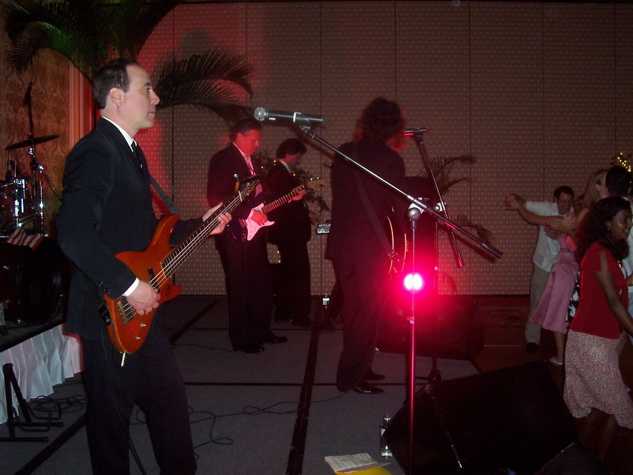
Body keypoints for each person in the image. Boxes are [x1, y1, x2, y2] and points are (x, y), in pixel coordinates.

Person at [56, 58, 231, 474]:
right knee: (111, 423)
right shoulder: (96, 151)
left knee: (168, 400)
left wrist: (200, 225)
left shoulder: (129, 152)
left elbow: (145, 234)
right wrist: (129, 287)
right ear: (116, 97)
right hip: (110, 309)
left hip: (138, 307)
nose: (157, 97)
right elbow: (73, 232)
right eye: (147, 89)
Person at [325, 97, 408, 395]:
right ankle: (351, 376)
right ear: (394, 126)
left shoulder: (345, 151)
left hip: (342, 244)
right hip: (370, 248)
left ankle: (362, 367)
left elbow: (342, 197)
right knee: (369, 311)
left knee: (354, 310)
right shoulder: (390, 159)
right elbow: (400, 208)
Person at [207, 117, 287, 353]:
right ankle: (242, 338)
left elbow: (262, 195)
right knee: (240, 286)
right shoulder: (223, 159)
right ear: (240, 136)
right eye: (254, 139)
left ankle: (262, 330)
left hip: (255, 233)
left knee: (261, 283)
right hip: (234, 231)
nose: (257, 144)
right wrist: (250, 213)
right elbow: (217, 197)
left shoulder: (254, 162)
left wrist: (286, 197)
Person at [564, 196, 633, 464]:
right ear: (607, 223)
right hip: (590, 341)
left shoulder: (604, 253)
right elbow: (613, 302)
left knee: (603, 406)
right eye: (624, 219)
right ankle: (595, 465)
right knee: (618, 408)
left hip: (600, 339)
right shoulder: (598, 253)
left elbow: (613, 289)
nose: (629, 224)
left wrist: (628, 281)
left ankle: (575, 459)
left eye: (629, 218)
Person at [505, 186, 575, 353]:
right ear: (555, 200)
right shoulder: (546, 208)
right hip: (544, 263)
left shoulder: (575, 215)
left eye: (569, 201)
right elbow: (525, 206)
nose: (566, 204)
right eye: (563, 201)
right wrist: (514, 199)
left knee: (565, 304)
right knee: (537, 301)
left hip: (565, 267)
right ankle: (533, 339)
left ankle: (565, 339)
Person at [266, 138, 320, 327]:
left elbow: (288, 202)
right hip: (289, 232)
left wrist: (306, 212)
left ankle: (286, 311)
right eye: (298, 156)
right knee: (299, 273)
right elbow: (282, 205)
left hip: (287, 232)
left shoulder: (280, 173)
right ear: (288, 154)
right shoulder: (280, 175)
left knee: (290, 273)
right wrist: (303, 211)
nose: (299, 160)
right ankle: (299, 315)